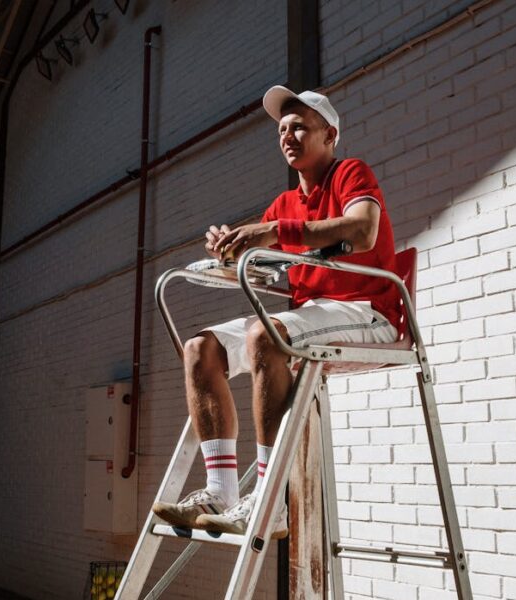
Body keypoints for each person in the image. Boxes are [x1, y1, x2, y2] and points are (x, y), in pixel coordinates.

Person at [151, 86, 401, 536]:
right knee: (200, 349)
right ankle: (221, 491)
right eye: (282, 129)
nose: (287, 135)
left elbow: (363, 230)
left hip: (368, 312)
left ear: (330, 135)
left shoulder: (350, 173)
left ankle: (270, 502)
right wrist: (228, 250)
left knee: (267, 336)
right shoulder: (284, 204)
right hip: (313, 314)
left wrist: (272, 232)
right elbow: (264, 255)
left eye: (300, 127)